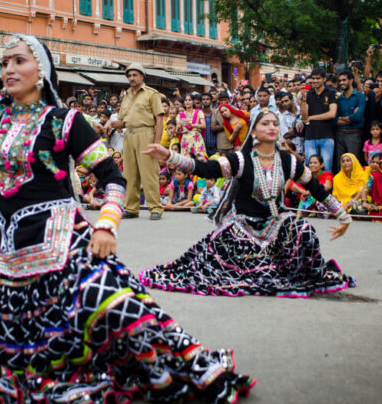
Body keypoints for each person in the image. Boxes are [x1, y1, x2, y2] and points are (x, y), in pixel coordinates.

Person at [0, 0, 252, 404]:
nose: (7, 69)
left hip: (67, 249)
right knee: (12, 342)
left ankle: (189, 367)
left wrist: (106, 225)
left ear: (40, 72)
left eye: (19, 61)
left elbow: (112, 175)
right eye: (4, 62)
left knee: (122, 313)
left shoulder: (65, 121)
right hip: (10, 256)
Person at [139, 110, 354, 297]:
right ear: (253, 132)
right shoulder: (241, 160)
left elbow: (317, 189)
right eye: (265, 123)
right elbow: (205, 169)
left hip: (277, 222)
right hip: (243, 226)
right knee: (244, 257)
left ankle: (289, 269)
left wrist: (343, 216)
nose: (272, 127)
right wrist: (169, 155)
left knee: (304, 230)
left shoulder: (289, 161)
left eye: (275, 123)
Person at [109, 63, 165, 220]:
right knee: (129, 173)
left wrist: (157, 143)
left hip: (145, 133)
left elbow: (159, 120)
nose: (131, 78)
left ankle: (155, 208)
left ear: (142, 76)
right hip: (129, 134)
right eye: (129, 75)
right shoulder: (126, 95)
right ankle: (131, 208)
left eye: (135, 75)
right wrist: (109, 124)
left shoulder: (152, 94)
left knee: (149, 172)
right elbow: (122, 121)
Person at [301, 67, 338, 169]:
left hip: (326, 136)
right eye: (313, 78)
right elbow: (304, 117)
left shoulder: (331, 92)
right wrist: (304, 99)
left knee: (326, 167)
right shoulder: (308, 94)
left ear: (324, 79)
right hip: (310, 136)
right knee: (311, 168)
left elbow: (332, 114)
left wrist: (312, 117)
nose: (315, 81)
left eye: (318, 78)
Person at [335, 70, 365, 169]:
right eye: (340, 81)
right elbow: (335, 120)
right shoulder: (339, 99)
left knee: (354, 163)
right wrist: (351, 118)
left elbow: (358, 117)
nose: (341, 83)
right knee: (340, 164)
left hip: (354, 134)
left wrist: (342, 118)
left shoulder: (360, 96)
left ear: (351, 80)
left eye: (344, 80)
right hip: (340, 134)